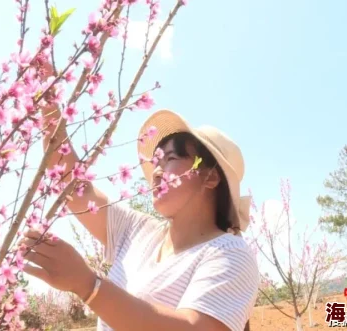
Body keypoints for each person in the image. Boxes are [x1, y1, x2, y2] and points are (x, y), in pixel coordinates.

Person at [21, 102, 259, 330]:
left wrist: (88, 285)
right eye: (157, 160)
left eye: (171, 159)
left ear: (210, 177)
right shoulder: (137, 230)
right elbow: (74, 185)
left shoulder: (230, 254)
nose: (156, 172)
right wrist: (49, 100)